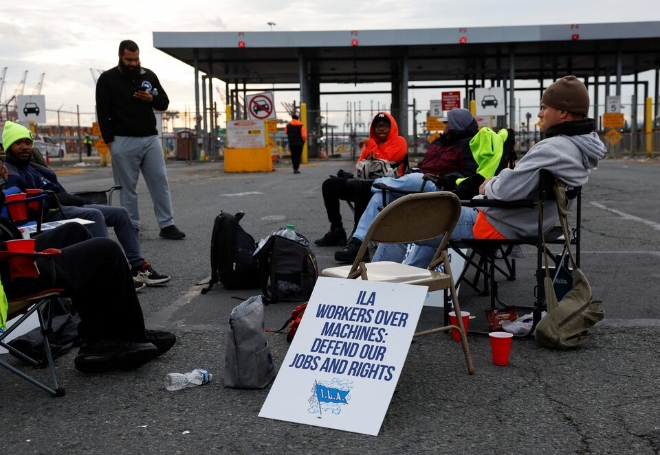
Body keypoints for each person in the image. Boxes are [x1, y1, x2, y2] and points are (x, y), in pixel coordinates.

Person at [380, 75, 607, 267]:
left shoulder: (554, 148)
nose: (539, 114)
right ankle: (411, 286)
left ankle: (372, 291)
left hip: (496, 223)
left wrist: (490, 183)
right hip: (528, 222)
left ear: (563, 113)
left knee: (397, 221)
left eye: (544, 108)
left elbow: (503, 191)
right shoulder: (579, 148)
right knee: (425, 222)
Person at [0, 170, 176, 373]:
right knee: (106, 251)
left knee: (74, 231)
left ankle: (101, 338)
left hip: (7, 256)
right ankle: (126, 337)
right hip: (8, 275)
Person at [2, 121, 170, 287]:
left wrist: (70, 199)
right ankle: (108, 273)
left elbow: (63, 194)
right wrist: (57, 199)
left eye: (27, 142)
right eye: (18, 143)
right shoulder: (10, 173)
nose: (24, 147)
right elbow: (20, 206)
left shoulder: (39, 169)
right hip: (45, 216)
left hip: (64, 208)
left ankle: (138, 267)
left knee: (120, 213)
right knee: (94, 215)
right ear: (8, 147)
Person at [334, 108, 479, 263]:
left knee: (410, 180)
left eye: (447, 123)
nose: (444, 126)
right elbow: (425, 165)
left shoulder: (468, 145)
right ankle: (358, 242)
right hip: (422, 181)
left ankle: (374, 184)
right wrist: (419, 169)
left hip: (441, 188)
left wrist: (444, 178)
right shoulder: (438, 142)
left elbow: (470, 173)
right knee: (381, 195)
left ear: (456, 124)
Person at [96, 39, 185, 240]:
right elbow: (103, 112)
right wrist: (111, 142)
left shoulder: (149, 75)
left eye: (136, 59)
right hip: (122, 140)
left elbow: (164, 102)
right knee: (127, 188)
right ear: (120, 56)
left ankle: (167, 224)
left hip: (150, 139)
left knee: (160, 182)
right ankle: (132, 226)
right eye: (129, 59)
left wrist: (151, 99)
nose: (133, 63)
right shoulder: (107, 79)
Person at [314, 112, 408, 247]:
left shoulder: (399, 142)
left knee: (359, 187)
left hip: (387, 189)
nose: (381, 128)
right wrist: (371, 147)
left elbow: (385, 162)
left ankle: (358, 238)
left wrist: (370, 144)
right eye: (378, 126)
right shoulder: (371, 144)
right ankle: (337, 230)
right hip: (364, 185)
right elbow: (359, 167)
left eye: (385, 126)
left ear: (392, 127)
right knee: (329, 185)